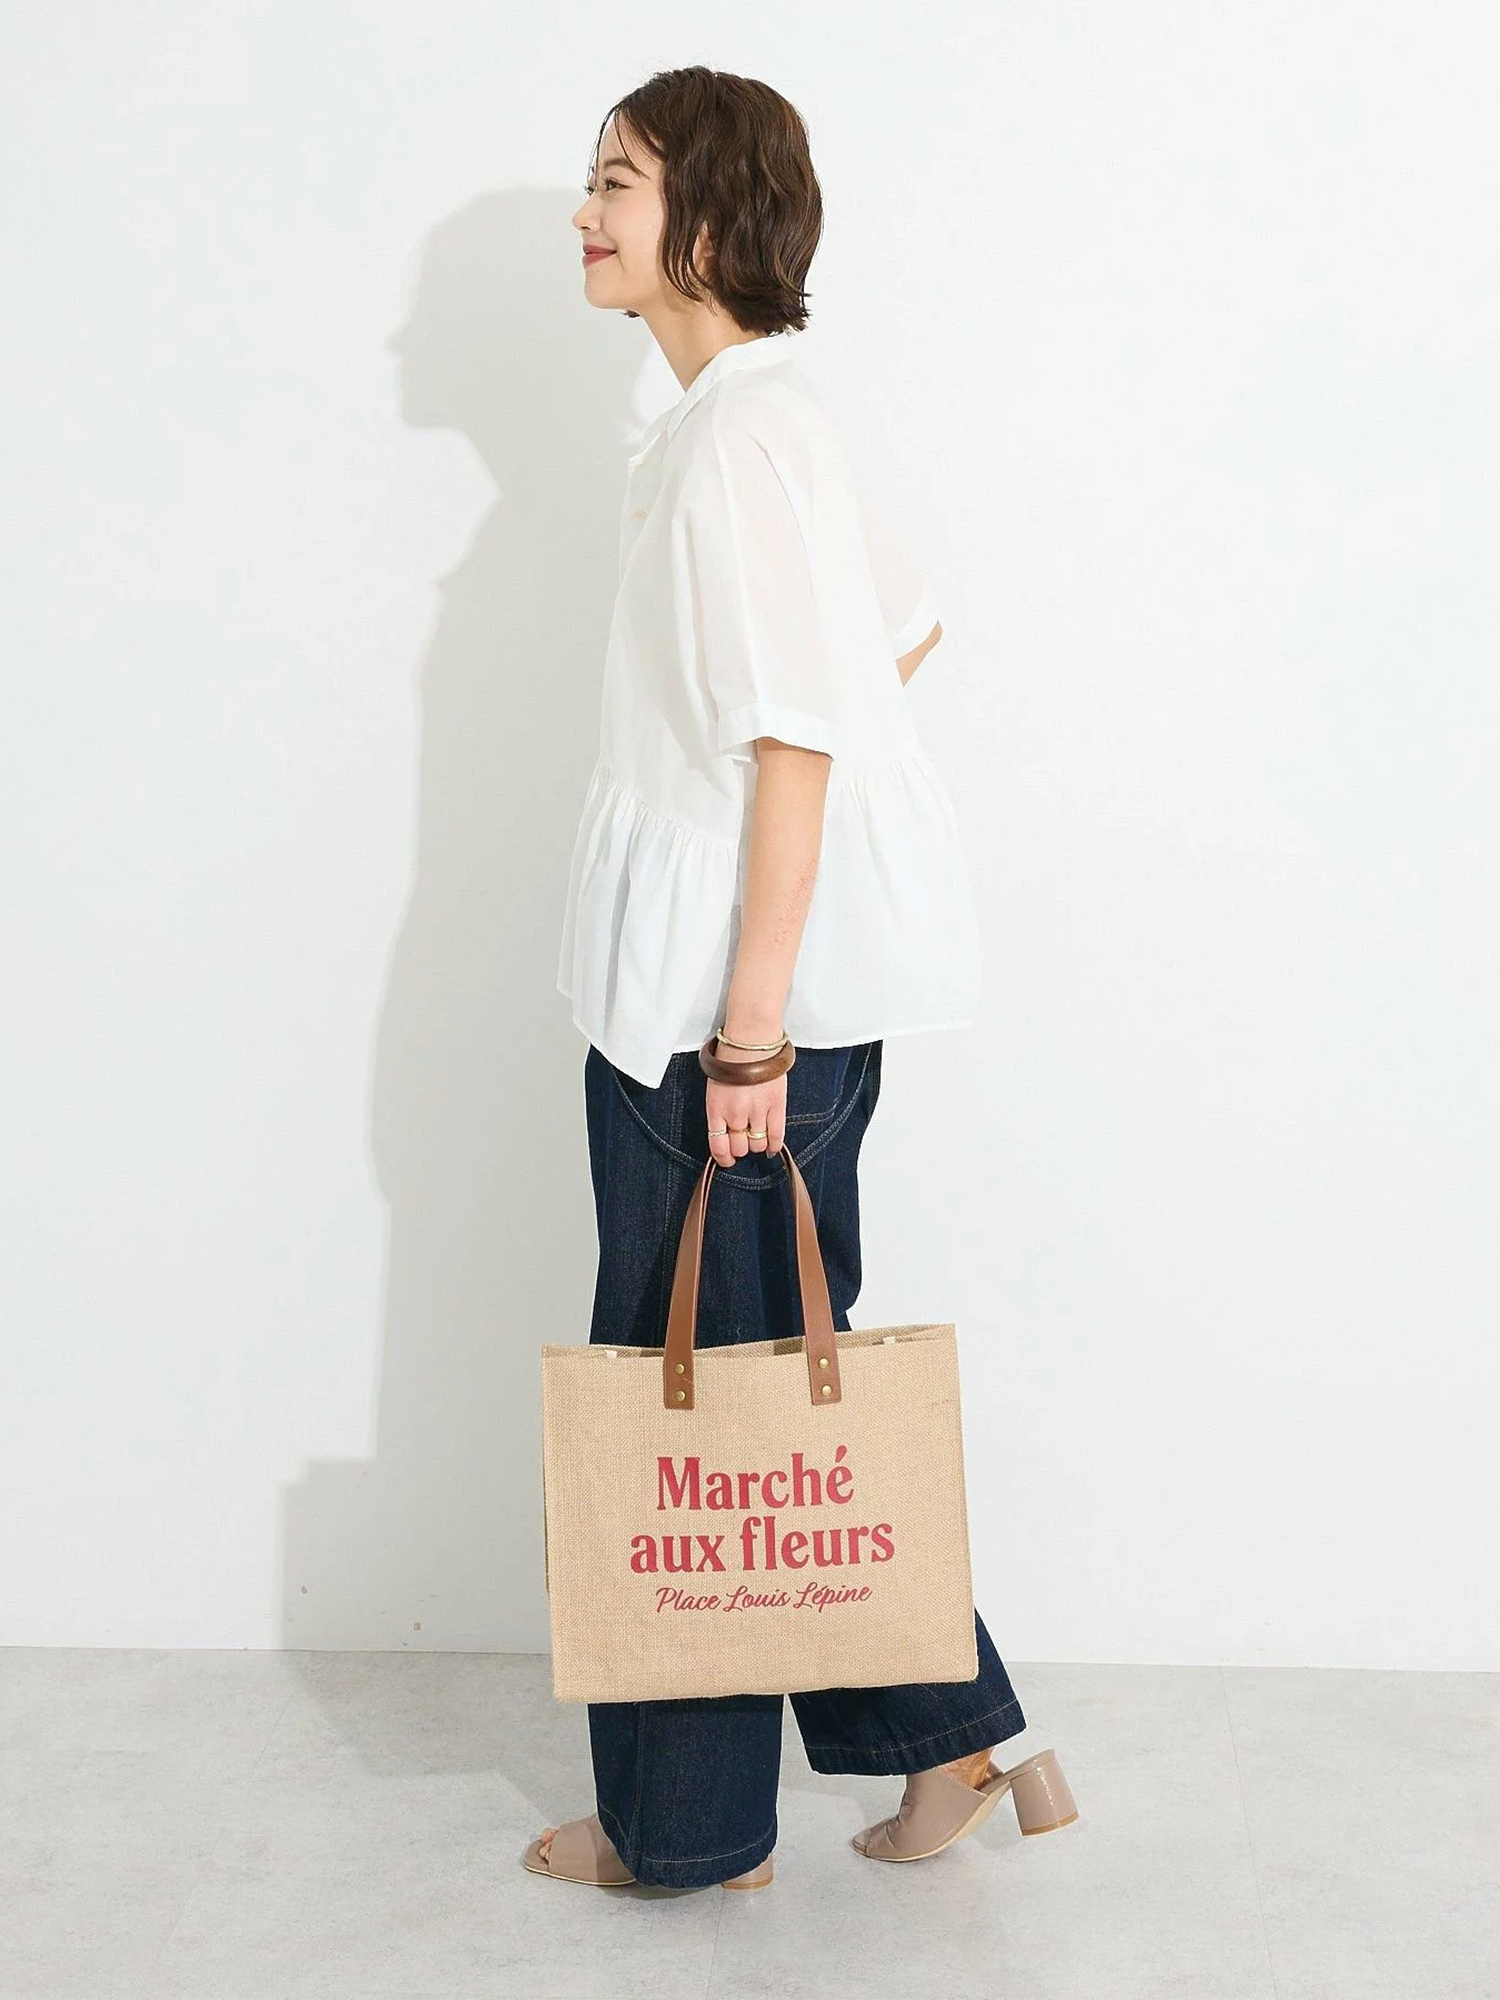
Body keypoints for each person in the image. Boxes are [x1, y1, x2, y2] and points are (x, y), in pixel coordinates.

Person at [528, 66, 1077, 1892]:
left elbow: (799, 739)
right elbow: (892, 636)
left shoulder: (736, 447)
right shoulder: (754, 421)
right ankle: (957, 1742)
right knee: (773, 1392)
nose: (585, 212)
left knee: (696, 1406)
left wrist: (751, 1026)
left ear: (706, 219)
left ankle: (688, 1838)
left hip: (722, 1021)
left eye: (617, 180)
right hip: (744, 1006)